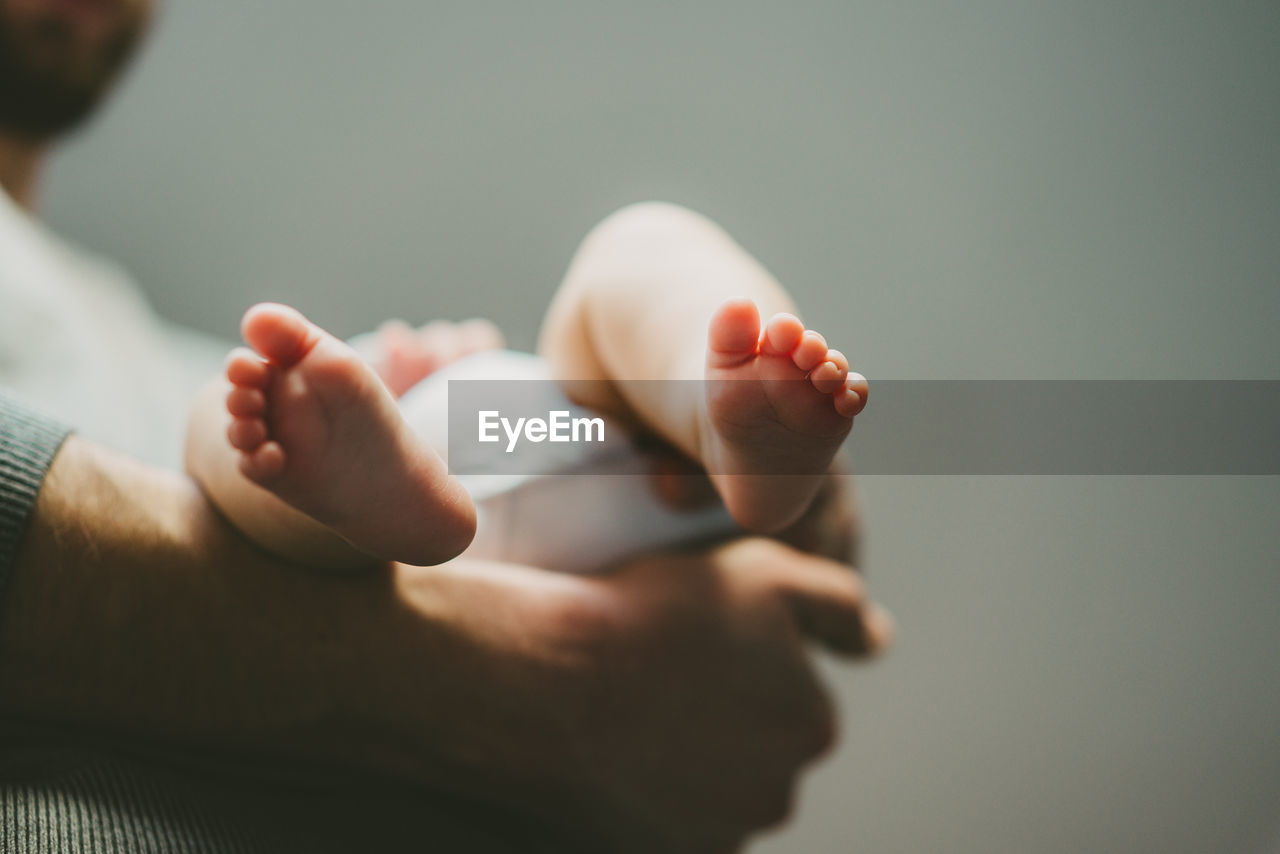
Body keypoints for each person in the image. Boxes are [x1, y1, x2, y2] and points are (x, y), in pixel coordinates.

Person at [0, 0, 894, 850]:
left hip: (499, 462)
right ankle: (691, 426)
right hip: (463, 509)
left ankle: (715, 414)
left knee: (635, 257)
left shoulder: (139, 334)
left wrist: (408, 386)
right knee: (246, 437)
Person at [185, 218, 869, 571]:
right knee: (633, 248)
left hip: (634, 486)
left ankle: (706, 407)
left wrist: (415, 375)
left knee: (227, 426)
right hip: (651, 519)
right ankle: (708, 402)